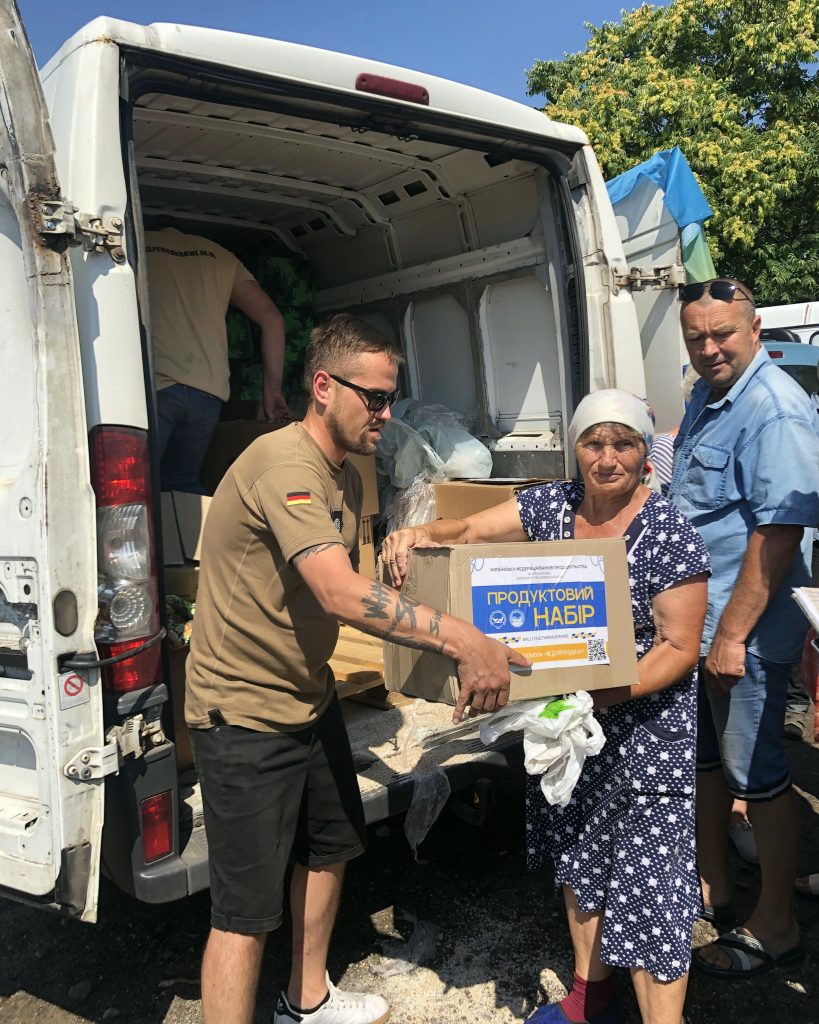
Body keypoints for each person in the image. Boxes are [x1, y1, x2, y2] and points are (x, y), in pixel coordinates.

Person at [185, 313, 528, 1024]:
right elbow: (339, 593)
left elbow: (346, 578)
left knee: (330, 846)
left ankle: (307, 999)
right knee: (243, 913)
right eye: (373, 397)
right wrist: (461, 639)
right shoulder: (285, 465)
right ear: (322, 386)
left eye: (390, 397)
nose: (386, 413)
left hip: (308, 696)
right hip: (243, 713)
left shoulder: (344, 469)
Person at [383, 388, 710, 1024]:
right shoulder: (553, 504)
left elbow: (679, 647)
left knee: (651, 888)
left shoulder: (670, 533)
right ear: (575, 448)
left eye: (624, 444)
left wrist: (597, 692)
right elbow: (469, 529)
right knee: (580, 854)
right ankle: (590, 1000)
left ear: (646, 454)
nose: (607, 458)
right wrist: (419, 532)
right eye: (594, 442)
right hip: (570, 733)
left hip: (646, 734)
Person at [667, 278, 819, 980]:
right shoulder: (707, 394)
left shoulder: (772, 408)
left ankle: (777, 925)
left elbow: (778, 531)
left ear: (754, 330)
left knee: (757, 777)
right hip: (699, 627)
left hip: (744, 633)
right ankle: (714, 885)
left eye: (722, 333)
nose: (709, 348)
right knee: (706, 764)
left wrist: (730, 637)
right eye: (695, 336)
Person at [145, 224, 291, 492]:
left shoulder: (135, 246)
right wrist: (272, 392)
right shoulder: (221, 256)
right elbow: (273, 319)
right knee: (184, 484)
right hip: (207, 394)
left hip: (155, 388)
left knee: (139, 485)